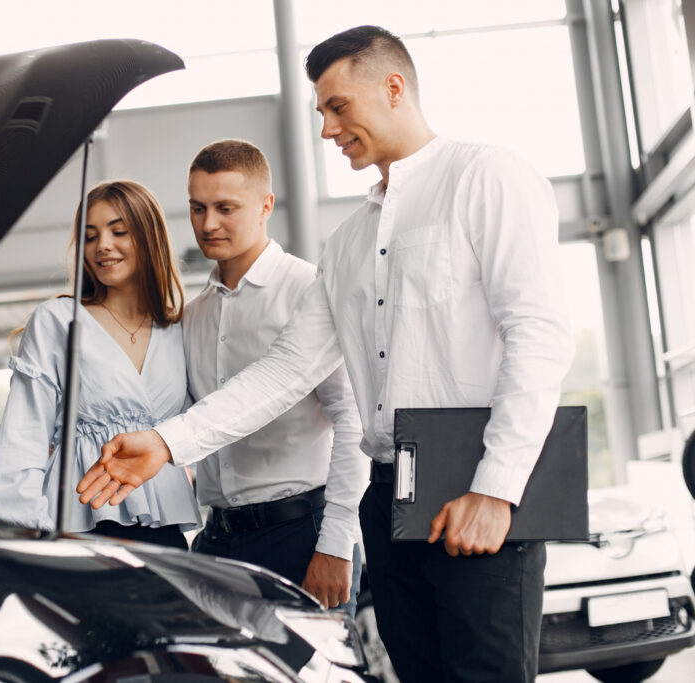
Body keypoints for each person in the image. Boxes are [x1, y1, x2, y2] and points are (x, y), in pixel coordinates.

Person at [77, 26, 574, 683]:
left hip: (475, 477)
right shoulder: (347, 244)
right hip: (393, 488)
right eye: (321, 110)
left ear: (394, 88)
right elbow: (284, 371)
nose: (326, 129)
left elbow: (539, 332)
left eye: (338, 106)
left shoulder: (487, 177)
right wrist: (168, 442)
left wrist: (496, 486)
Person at [182, 139, 368, 611]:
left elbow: (353, 420)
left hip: (300, 536)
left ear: (266, 206)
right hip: (217, 542)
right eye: (197, 208)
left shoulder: (310, 291)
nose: (208, 224)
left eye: (226, 208)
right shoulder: (194, 314)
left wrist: (335, 545)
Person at [0, 179, 200, 549]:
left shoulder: (179, 327)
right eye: (89, 236)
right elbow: (23, 436)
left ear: (150, 239)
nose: (102, 245)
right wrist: (31, 533)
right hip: (78, 525)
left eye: (119, 231)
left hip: (164, 533)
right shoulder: (58, 321)